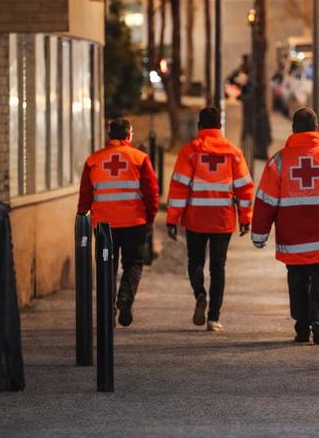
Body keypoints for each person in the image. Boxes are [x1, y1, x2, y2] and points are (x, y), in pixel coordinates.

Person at [251, 107, 319, 344]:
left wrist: (259, 234)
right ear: (317, 128)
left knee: (297, 279)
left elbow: (265, 201)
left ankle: (302, 325)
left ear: (293, 129)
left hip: (293, 238)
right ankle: (318, 319)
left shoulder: (279, 161)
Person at [166, 107, 254, 332]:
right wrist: (245, 217)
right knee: (218, 267)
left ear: (199, 126)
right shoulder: (233, 152)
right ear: (220, 127)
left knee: (195, 261)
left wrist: (172, 219)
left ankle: (200, 293)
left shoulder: (190, 152)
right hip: (222, 218)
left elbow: (179, 187)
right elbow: (245, 187)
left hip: (196, 217)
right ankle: (214, 318)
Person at [77, 118, 159, 327]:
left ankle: (108, 311)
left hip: (104, 226)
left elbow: (85, 195)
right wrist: (150, 218)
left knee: (107, 267)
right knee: (133, 264)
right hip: (134, 223)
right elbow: (151, 193)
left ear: (109, 136)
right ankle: (125, 298)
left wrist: (82, 216)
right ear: (129, 135)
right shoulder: (139, 158)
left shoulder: (93, 160)